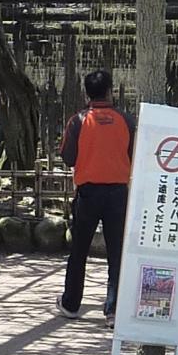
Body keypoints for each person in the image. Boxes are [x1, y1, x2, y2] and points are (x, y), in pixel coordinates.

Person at [54, 69, 135, 325]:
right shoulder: (126, 120)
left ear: (86, 93)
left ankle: (71, 303)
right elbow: (134, 153)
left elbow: (68, 157)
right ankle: (113, 309)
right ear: (110, 91)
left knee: (79, 249)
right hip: (118, 193)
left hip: (88, 193)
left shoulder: (78, 121)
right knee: (117, 251)